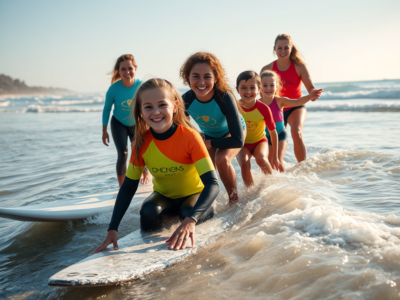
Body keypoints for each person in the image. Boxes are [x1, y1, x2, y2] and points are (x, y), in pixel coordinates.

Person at [95, 78, 219, 253]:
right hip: (164, 197)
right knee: (148, 212)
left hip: (194, 196)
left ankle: (190, 223)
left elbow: (213, 184)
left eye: (162, 105)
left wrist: (191, 220)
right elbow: (128, 187)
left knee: (187, 211)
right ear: (140, 110)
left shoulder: (190, 137)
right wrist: (113, 228)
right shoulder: (140, 143)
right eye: (148, 107)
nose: (156, 112)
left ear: (175, 106)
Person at [180, 52, 246, 204]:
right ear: (187, 78)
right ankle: (207, 204)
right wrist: (197, 135)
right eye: (195, 76)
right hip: (209, 135)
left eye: (207, 76)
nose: (201, 81)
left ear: (215, 78)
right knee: (202, 164)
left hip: (233, 133)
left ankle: (234, 202)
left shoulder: (224, 97)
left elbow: (238, 141)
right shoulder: (186, 100)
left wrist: (207, 143)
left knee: (221, 159)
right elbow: (181, 123)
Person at [260, 34, 322, 162]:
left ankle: (303, 167)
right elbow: (261, 93)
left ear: (291, 48)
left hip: (296, 106)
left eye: (286, 48)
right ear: (274, 49)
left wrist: (313, 93)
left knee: (296, 132)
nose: (282, 51)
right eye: (279, 48)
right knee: (273, 147)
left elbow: (310, 87)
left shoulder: (299, 66)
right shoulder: (267, 69)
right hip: (276, 109)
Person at [102, 54, 151, 187]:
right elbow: (107, 109)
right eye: (123, 69)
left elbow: (150, 105)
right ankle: (121, 185)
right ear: (118, 71)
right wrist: (104, 131)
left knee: (140, 149)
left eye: (130, 68)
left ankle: (145, 172)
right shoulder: (113, 89)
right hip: (118, 122)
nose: (127, 72)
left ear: (135, 68)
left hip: (137, 122)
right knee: (123, 153)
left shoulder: (142, 86)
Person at [259, 70, 322, 167]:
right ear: (259, 87)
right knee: (269, 162)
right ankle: (274, 182)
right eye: (265, 85)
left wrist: (310, 96)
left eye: (272, 85)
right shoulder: (256, 104)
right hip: (265, 136)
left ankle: (285, 180)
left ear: (277, 86)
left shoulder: (280, 101)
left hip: (280, 135)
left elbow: (297, 102)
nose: (268, 88)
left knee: (278, 160)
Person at [235, 71, 280, 186]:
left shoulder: (264, 108)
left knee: (261, 159)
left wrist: (275, 156)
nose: (248, 91)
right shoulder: (235, 108)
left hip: (260, 141)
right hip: (242, 144)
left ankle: (273, 186)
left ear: (259, 89)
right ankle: (250, 191)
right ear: (237, 89)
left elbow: (273, 132)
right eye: (243, 88)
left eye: (252, 87)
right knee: (244, 162)